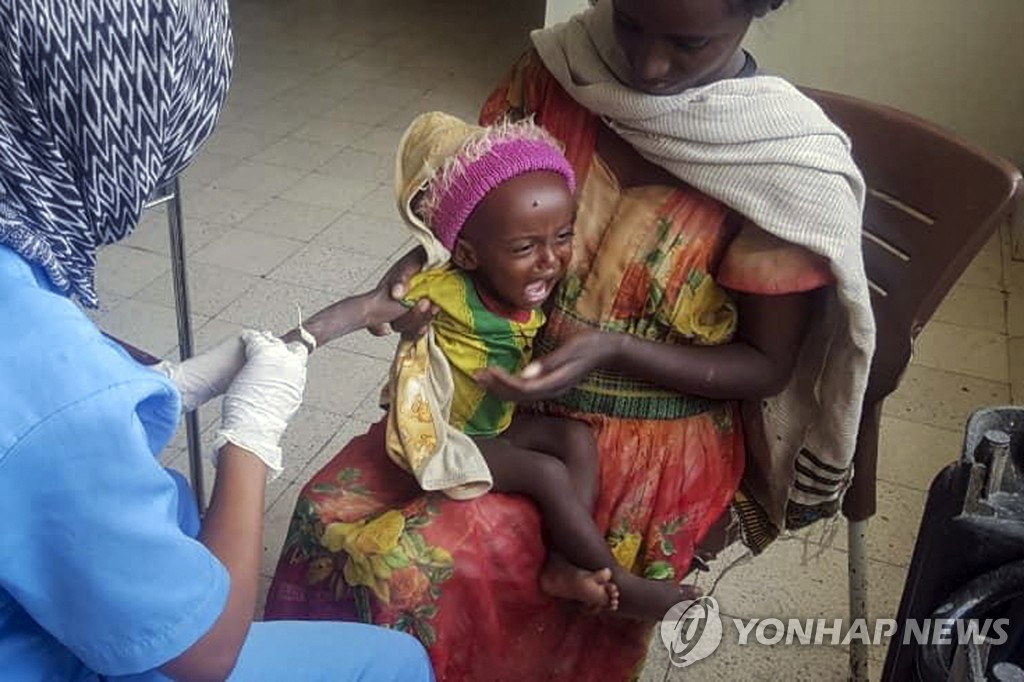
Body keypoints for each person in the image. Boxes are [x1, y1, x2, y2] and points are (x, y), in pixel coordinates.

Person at [267, 0, 874, 679]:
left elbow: (764, 367)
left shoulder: (780, 169)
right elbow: (473, 208)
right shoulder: (560, 73)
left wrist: (614, 348)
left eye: (689, 42)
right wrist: (424, 261)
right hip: (505, 395)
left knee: (410, 566)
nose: (645, 65)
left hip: (651, 444)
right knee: (328, 509)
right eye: (630, 23)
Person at [0, 2, 432, 680]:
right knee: (393, 662)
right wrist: (251, 435)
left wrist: (327, 324)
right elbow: (205, 652)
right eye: (165, 149)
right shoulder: (50, 392)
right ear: (110, 125)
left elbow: (61, 408)